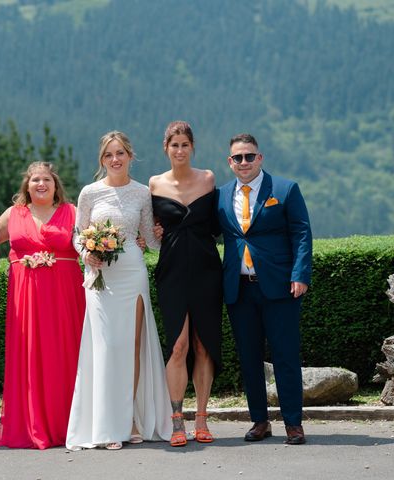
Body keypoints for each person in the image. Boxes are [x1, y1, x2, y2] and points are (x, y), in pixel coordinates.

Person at [66, 131, 172, 450]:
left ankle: (132, 420)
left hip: (132, 273)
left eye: (121, 153)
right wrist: (86, 252)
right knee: (108, 347)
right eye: (109, 154)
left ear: (130, 156)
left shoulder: (142, 193)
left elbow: (150, 242)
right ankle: (107, 423)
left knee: (133, 347)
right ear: (102, 160)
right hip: (100, 278)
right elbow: (77, 235)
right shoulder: (89, 193)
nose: (115, 159)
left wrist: (160, 234)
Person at [216, 133, 312, 445]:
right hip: (239, 289)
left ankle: (293, 424)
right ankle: (260, 421)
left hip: (280, 288)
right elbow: (202, 230)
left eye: (249, 156)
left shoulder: (284, 189)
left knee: (285, 356)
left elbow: (301, 233)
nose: (243, 162)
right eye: (237, 158)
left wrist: (300, 274)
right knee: (249, 357)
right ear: (230, 162)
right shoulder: (220, 195)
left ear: (260, 158)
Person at [0, 162, 85, 449]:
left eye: (46, 179)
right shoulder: (13, 214)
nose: (41, 184)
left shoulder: (73, 212)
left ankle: (71, 424)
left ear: (56, 185)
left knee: (65, 354)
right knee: (30, 354)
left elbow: (92, 243)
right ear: (27, 185)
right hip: (26, 299)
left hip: (65, 296)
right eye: (35, 180)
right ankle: (31, 424)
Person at [149, 121, 223, 446]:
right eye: (174, 145)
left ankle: (202, 418)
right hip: (172, 271)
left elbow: (219, 224)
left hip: (207, 269)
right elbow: (144, 224)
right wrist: (150, 234)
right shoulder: (153, 184)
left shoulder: (207, 179)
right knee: (178, 346)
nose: (180, 150)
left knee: (204, 344)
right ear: (165, 148)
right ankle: (176, 418)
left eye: (185, 144)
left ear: (192, 147)